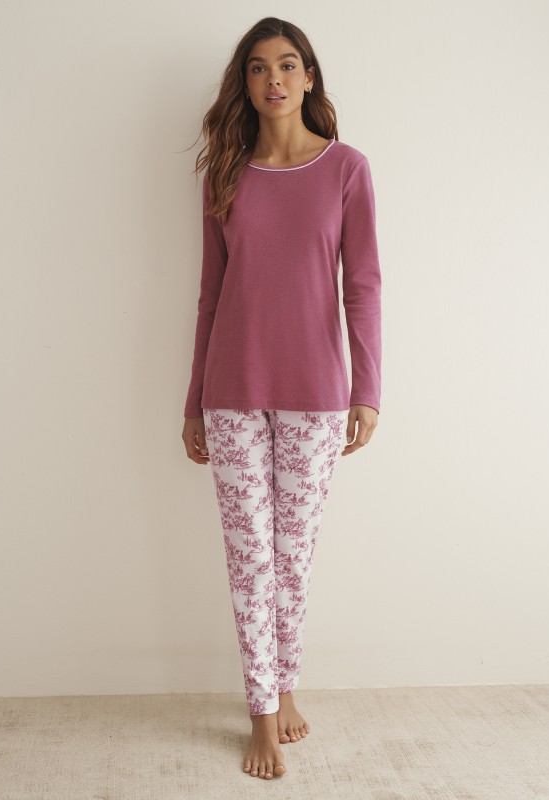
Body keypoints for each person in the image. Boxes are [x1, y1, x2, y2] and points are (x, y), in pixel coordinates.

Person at [180, 16, 382, 780]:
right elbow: (209, 294)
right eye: (259, 67)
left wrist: (368, 388)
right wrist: (193, 401)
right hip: (232, 391)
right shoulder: (224, 176)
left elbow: (363, 285)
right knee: (251, 560)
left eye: (287, 64)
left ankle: (285, 684)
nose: (274, 79)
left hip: (317, 395)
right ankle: (261, 715)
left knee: (292, 559)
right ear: (246, 82)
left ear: (308, 77)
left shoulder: (347, 170)